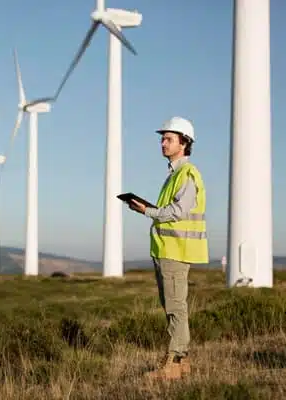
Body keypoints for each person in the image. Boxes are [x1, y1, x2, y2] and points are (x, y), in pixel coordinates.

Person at [127, 116, 209, 380]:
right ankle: (182, 361)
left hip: (177, 250)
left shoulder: (187, 173)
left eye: (169, 139)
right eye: (162, 139)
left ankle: (173, 362)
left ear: (184, 143)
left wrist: (148, 211)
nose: (162, 143)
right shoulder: (174, 175)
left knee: (175, 307)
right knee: (172, 305)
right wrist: (148, 210)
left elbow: (178, 211)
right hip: (166, 249)